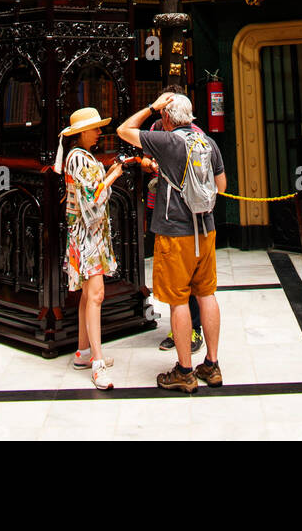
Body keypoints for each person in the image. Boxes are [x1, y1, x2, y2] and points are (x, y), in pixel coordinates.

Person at [117, 92, 226, 393]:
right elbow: (222, 185)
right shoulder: (208, 143)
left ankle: (184, 371)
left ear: (167, 117)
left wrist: (151, 106)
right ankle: (212, 365)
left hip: (176, 233)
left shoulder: (168, 142)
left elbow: (123, 130)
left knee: (178, 300)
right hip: (206, 230)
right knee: (207, 294)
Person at [54, 105, 128, 390]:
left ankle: (84, 352)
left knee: (88, 295)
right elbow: (93, 199)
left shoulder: (79, 157)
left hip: (85, 236)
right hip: (87, 238)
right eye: (95, 128)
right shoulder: (79, 159)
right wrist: (113, 175)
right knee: (96, 295)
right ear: (82, 133)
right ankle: (97, 363)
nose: (100, 132)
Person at [144, 118, 203, 354]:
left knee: (189, 281)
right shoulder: (156, 130)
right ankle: (179, 329)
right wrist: (149, 165)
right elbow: (146, 157)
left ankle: (193, 329)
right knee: (172, 279)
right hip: (161, 210)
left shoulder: (197, 136)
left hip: (187, 216)